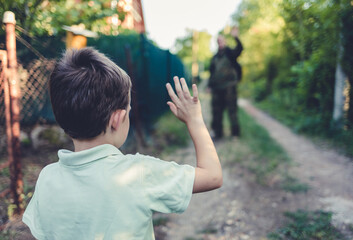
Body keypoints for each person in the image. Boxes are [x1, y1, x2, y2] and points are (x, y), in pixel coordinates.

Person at [22, 47, 222, 239]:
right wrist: (195, 121)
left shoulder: (47, 179)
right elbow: (212, 176)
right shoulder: (139, 174)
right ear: (117, 119)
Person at [208, 26, 243, 139]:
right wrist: (209, 86)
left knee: (232, 111)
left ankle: (235, 134)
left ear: (225, 41)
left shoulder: (230, 53)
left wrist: (236, 37)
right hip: (217, 89)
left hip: (229, 88)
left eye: (221, 40)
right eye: (218, 41)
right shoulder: (214, 57)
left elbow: (240, 49)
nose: (220, 42)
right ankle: (218, 133)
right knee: (216, 112)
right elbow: (212, 73)